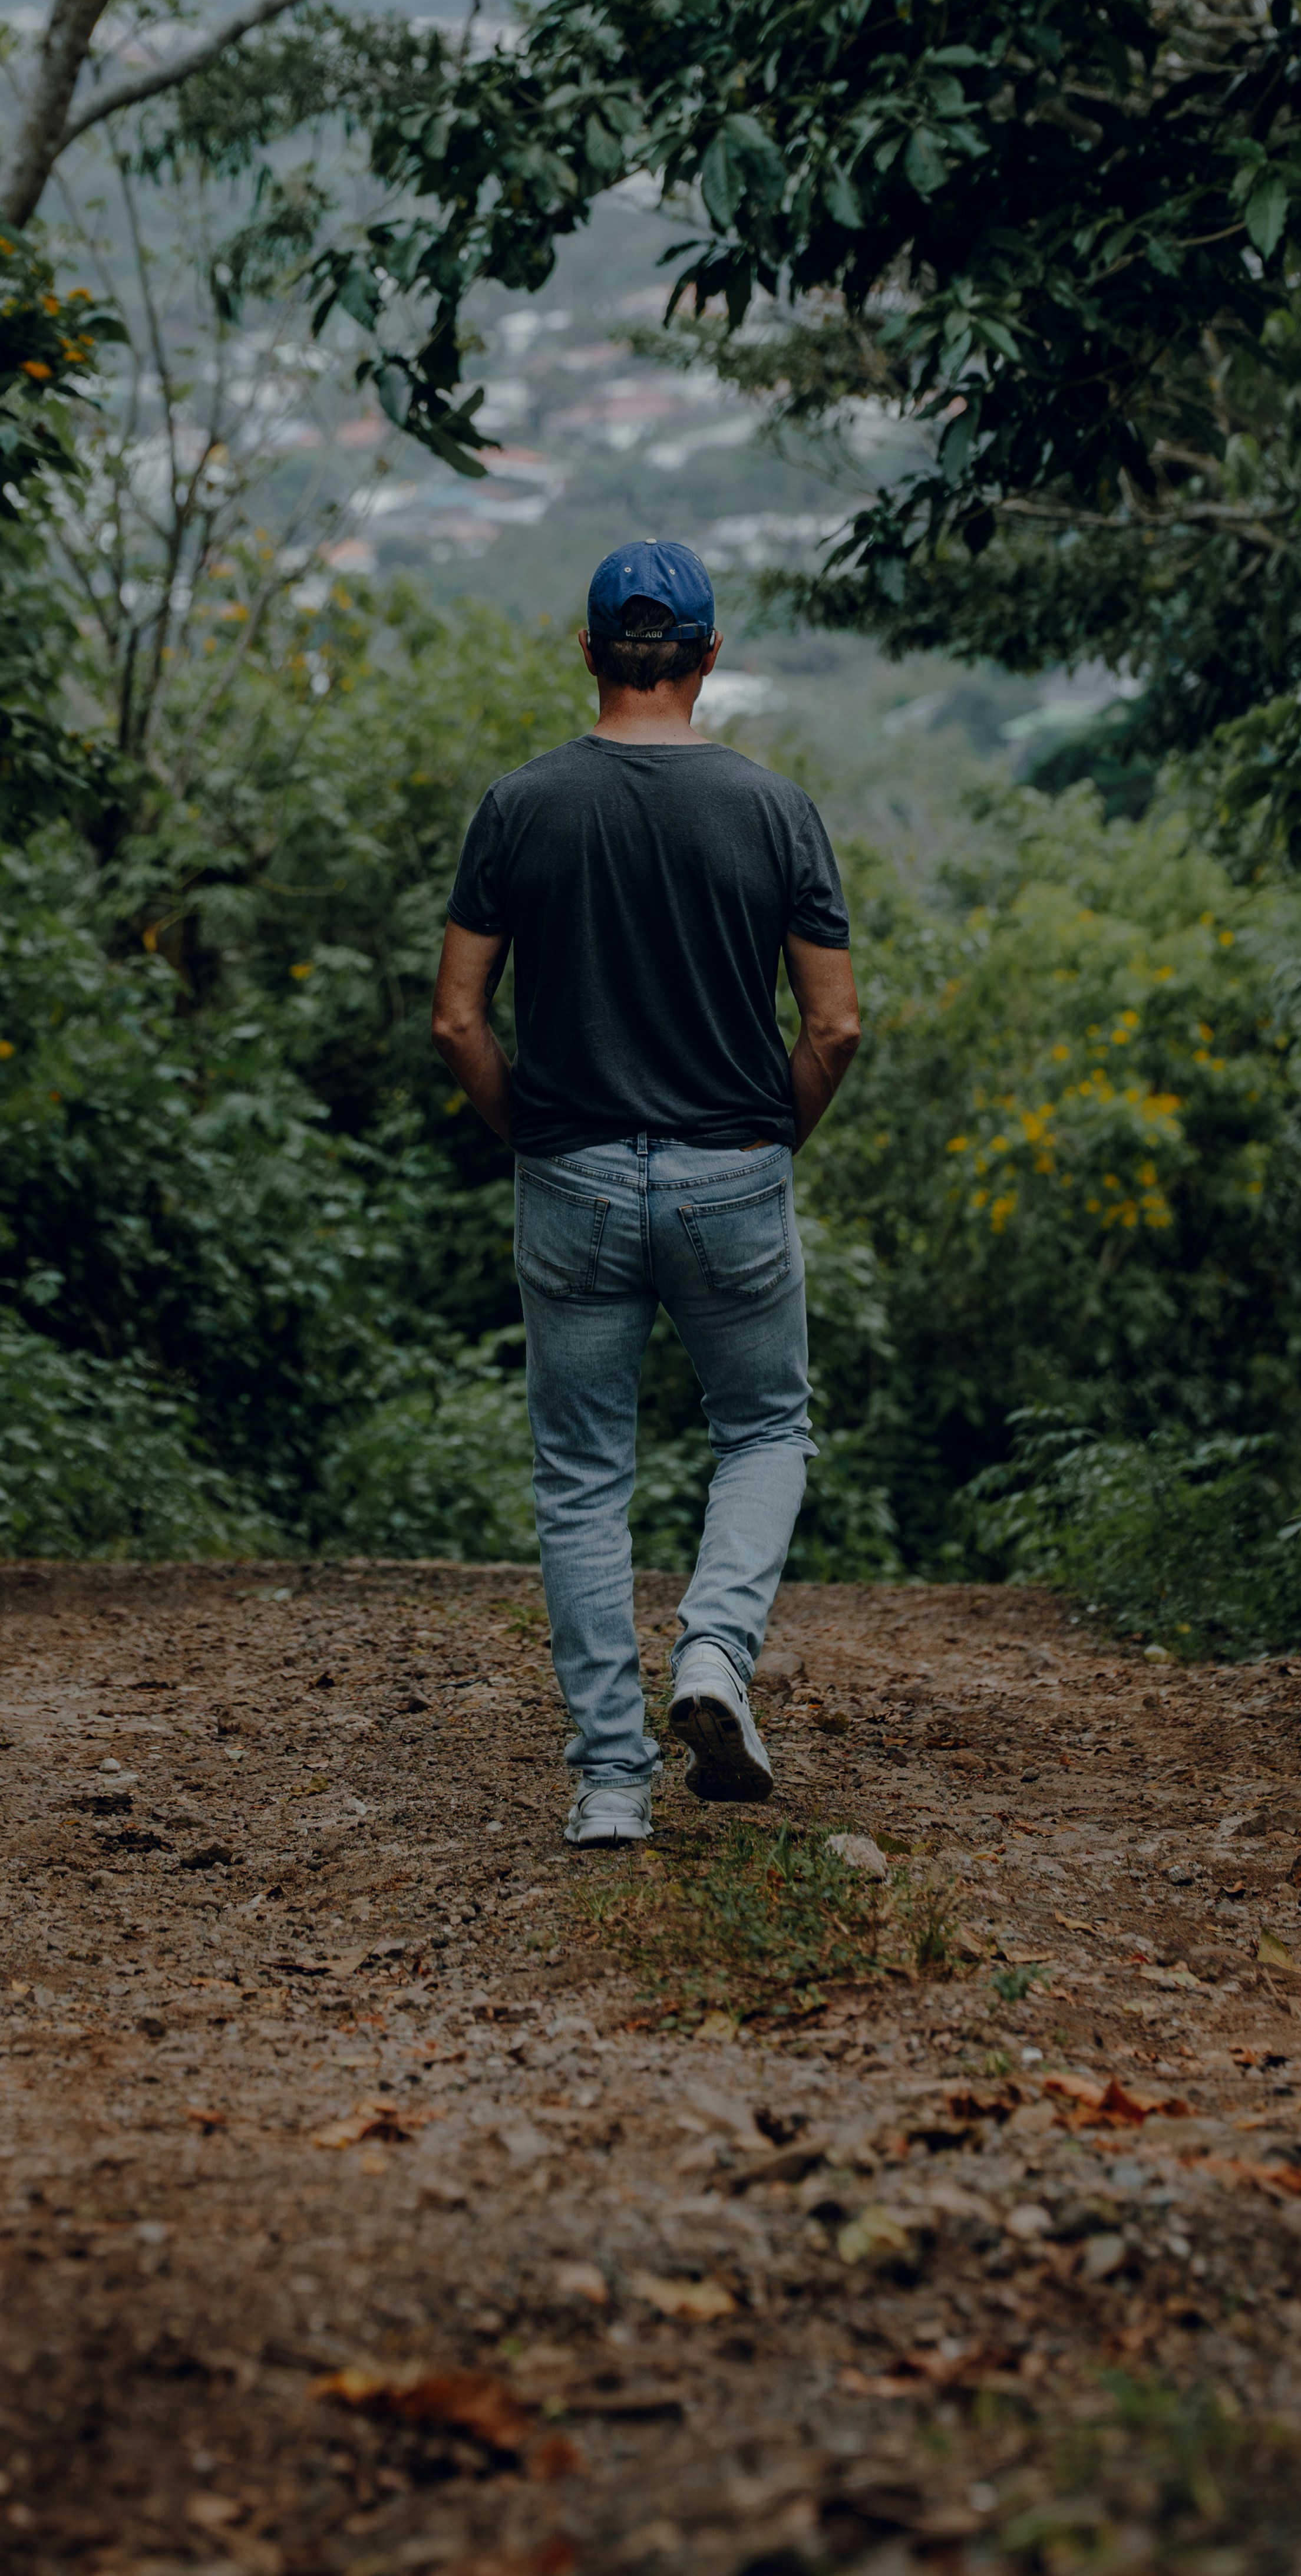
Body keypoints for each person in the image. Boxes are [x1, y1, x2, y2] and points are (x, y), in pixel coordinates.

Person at [431, 538, 862, 1844]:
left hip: (569, 1174)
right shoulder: (774, 809)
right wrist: (760, 1145)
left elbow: (458, 1020)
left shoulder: (521, 805)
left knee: (579, 1478)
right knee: (767, 1432)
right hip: (731, 1173)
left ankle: (611, 1783)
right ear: (709, 658)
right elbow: (834, 1027)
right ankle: (713, 1658)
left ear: (589, 653)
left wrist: (535, 1133)